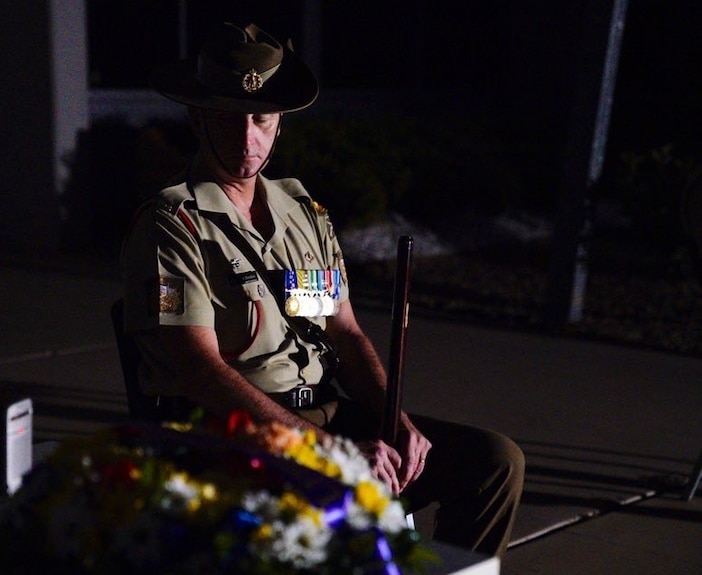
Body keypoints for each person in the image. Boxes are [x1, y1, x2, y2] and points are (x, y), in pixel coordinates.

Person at [120, 21, 524, 557]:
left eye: (261, 120)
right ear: (197, 118)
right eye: (229, 118)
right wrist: (327, 450)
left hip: (328, 412)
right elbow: (198, 371)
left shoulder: (300, 215)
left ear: (280, 123)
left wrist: (392, 420)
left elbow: (344, 329)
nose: (248, 139)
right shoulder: (173, 224)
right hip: (238, 434)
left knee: (493, 462)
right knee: (342, 499)